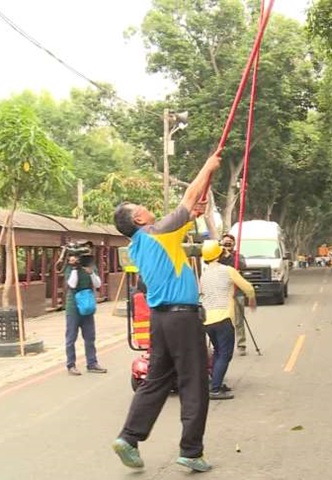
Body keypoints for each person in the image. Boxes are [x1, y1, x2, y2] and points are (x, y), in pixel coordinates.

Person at [110, 150, 221, 472]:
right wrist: (208, 165)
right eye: (140, 209)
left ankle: (129, 437)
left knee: (156, 380)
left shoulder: (139, 246)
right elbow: (189, 197)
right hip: (182, 317)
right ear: (138, 220)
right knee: (195, 382)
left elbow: (184, 220)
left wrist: (193, 214)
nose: (146, 209)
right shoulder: (157, 232)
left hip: (161, 320)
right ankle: (191, 450)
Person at [200, 240, 256, 399]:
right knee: (225, 354)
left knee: (218, 351)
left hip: (207, 319)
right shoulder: (228, 270)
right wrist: (251, 299)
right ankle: (215, 389)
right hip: (224, 318)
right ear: (219, 254)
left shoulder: (204, 275)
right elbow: (248, 288)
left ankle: (217, 382)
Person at [64, 254, 107, 376]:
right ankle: (71, 365)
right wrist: (74, 268)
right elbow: (72, 284)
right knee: (71, 338)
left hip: (87, 306)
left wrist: (91, 273)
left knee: (90, 337)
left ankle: (92, 363)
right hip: (73, 307)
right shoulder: (70, 268)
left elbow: (98, 284)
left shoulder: (90, 266)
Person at [218, 234, 249, 357]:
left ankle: (241, 345)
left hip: (237, 293)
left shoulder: (238, 257)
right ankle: (223, 345)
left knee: (239, 320)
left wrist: (229, 255)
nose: (227, 245)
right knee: (223, 321)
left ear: (234, 244)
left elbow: (242, 266)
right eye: (225, 243)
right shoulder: (218, 257)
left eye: (229, 243)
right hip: (222, 293)